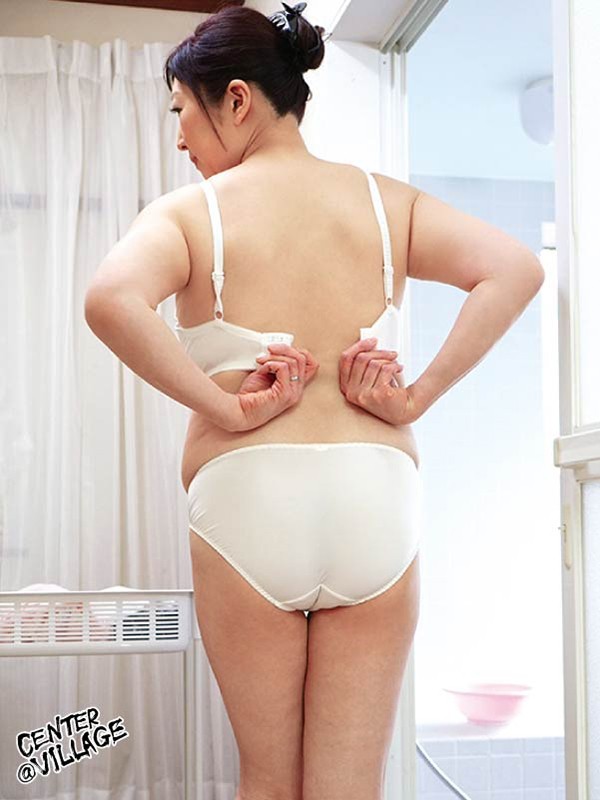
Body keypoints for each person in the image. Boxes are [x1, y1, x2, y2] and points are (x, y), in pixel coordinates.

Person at [84, 3, 545, 798]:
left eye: (182, 111)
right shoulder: (387, 203)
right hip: (375, 499)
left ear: (236, 99)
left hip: (249, 500)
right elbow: (516, 268)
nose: (180, 138)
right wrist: (418, 397)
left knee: (268, 782)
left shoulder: (192, 214)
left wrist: (227, 410)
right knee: (349, 786)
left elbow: (109, 299)